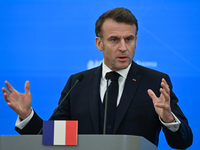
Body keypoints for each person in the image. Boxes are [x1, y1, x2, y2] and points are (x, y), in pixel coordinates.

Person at [2, 7, 193, 149]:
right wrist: (27, 116)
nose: (123, 47)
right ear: (99, 43)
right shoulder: (78, 83)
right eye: (114, 40)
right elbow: (53, 138)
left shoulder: (155, 81)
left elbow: (183, 141)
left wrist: (168, 119)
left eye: (129, 39)